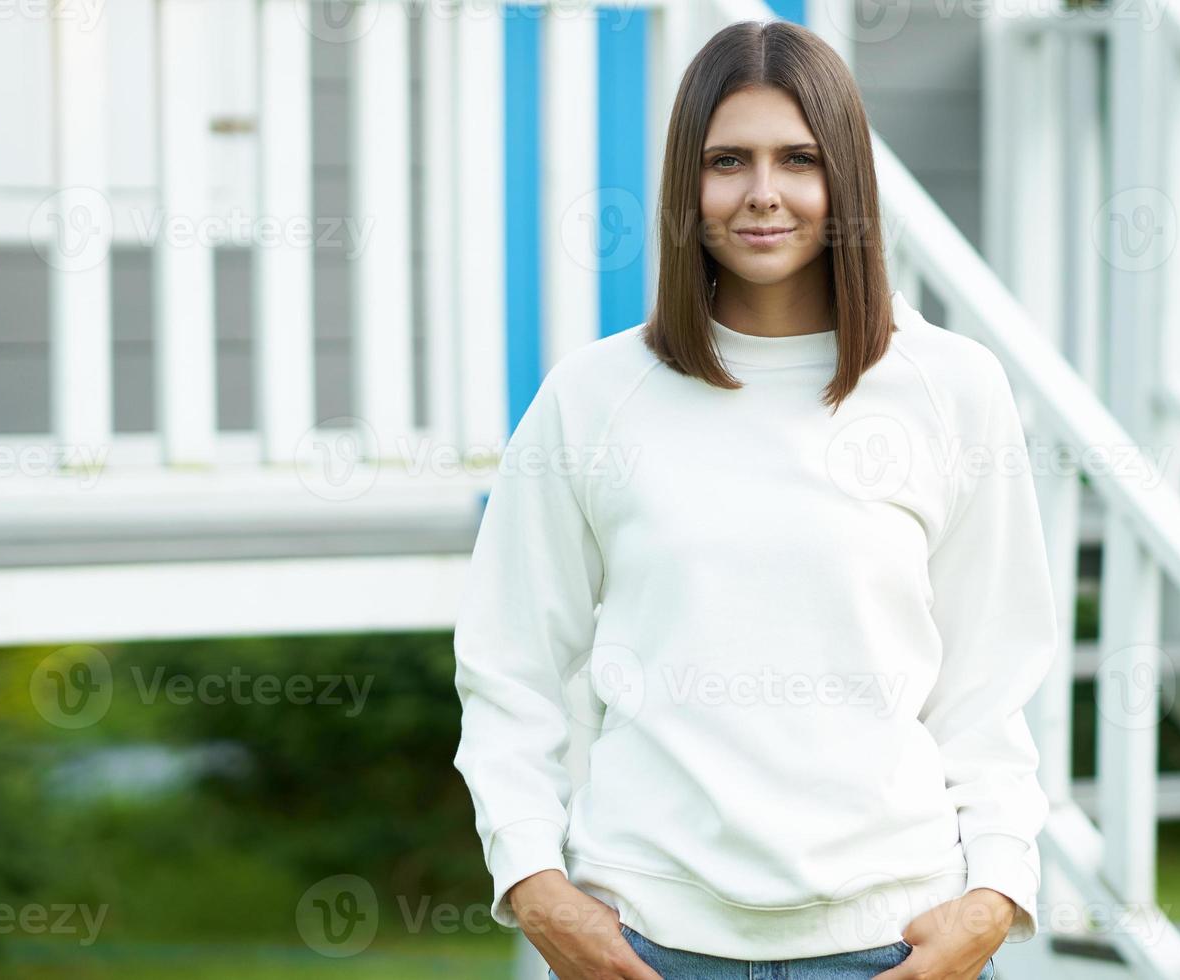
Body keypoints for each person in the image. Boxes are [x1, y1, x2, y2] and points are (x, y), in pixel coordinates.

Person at [451, 17, 1057, 980]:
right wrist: (534, 882)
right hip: (648, 942)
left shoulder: (952, 388)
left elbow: (989, 682)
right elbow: (508, 666)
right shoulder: (594, 398)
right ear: (684, 184)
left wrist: (994, 893)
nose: (762, 194)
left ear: (845, 181)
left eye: (798, 160)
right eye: (726, 159)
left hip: (893, 944)